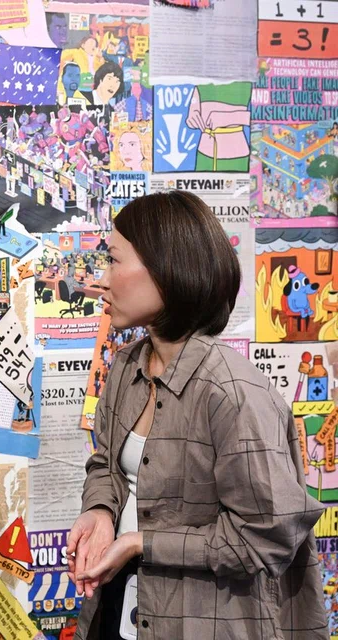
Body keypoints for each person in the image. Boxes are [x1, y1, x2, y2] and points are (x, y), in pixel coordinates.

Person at [66, 191, 327, 639]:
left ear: (167, 270)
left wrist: (141, 544)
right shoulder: (127, 365)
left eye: (113, 261)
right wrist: (99, 510)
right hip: (118, 613)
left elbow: (268, 535)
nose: (102, 281)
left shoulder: (232, 391)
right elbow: (105, 464)